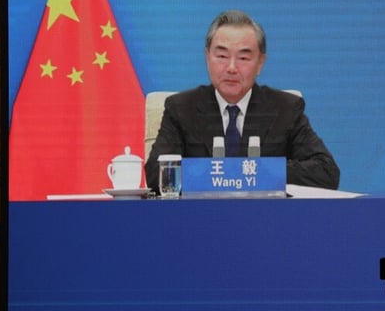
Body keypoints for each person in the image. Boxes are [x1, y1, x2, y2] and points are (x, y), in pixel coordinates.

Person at [145, 10, 340, 191]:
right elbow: (156, 174)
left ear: (260, 63)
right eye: (222, 56)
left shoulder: (285, 109)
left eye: (243, 58)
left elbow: (326, 172)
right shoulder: (181, 108)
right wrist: (229, 173)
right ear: (207, 57)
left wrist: (255, 172)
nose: (231, 68)